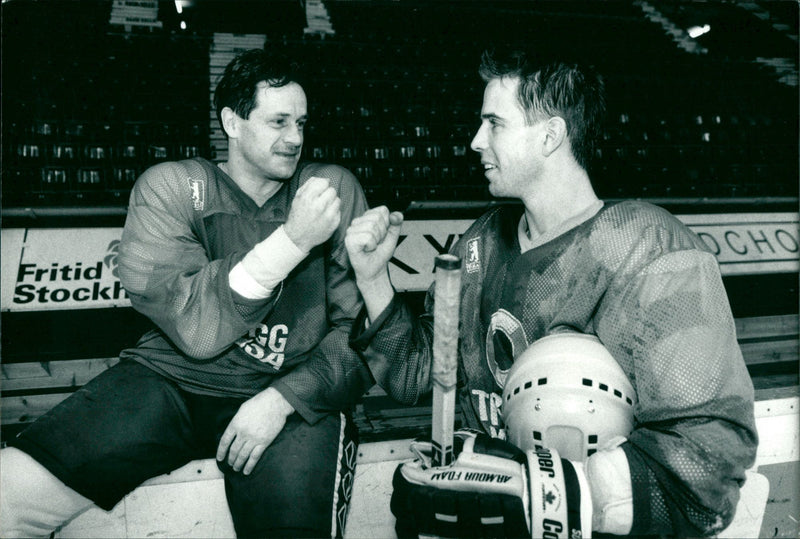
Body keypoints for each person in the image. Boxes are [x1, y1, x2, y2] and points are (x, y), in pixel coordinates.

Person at [345, 48, 758, 537]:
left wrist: (538, 493)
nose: (476, 141)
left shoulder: (647, 248)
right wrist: (373, 279)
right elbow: (421, 377)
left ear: (550, 135)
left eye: (494, 123)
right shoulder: (480, 240)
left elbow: (707, 462)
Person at [1, 48, 373, 538]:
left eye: (302, 122)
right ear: (232, 123)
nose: (295, 138)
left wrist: (284, 398)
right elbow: (197, 331)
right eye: (279, 121)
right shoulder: (170, 187)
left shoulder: (331, 189)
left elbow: (359, 331)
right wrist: (292, 241)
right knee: (9, 493)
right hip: (170, 381)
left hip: (284, 394)